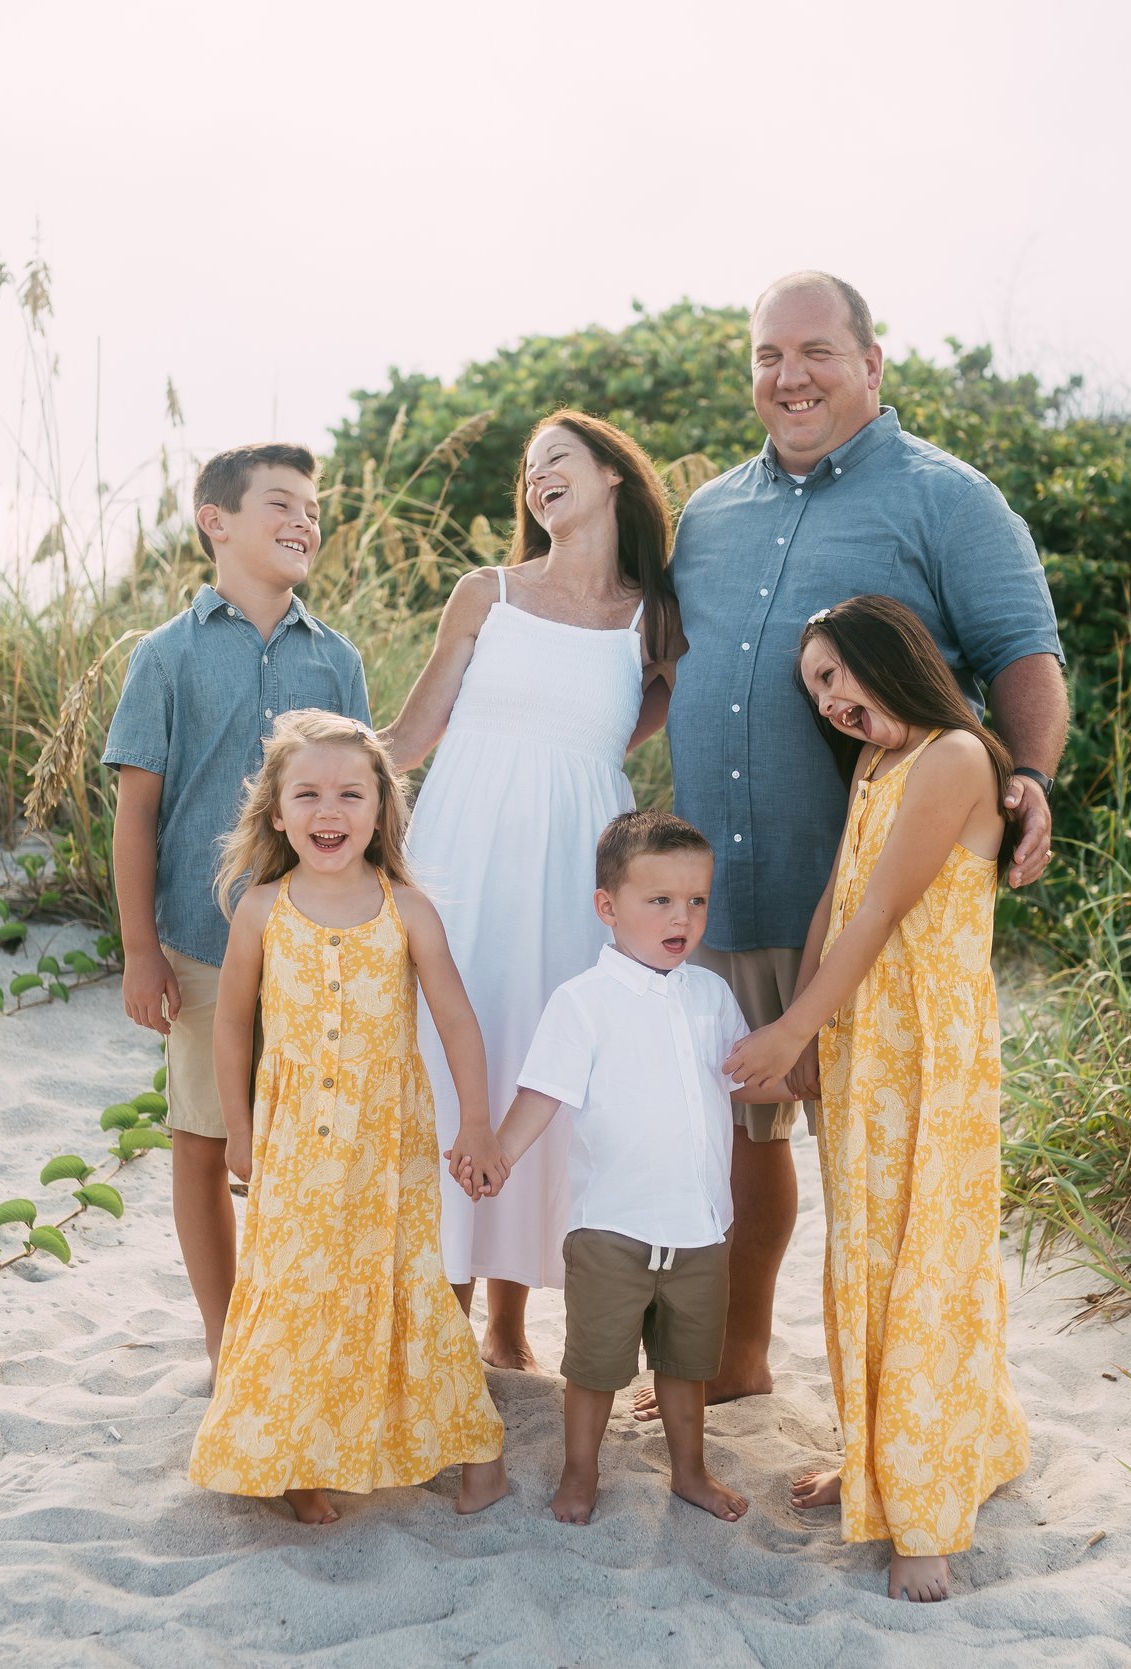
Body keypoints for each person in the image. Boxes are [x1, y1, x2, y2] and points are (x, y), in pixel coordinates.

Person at [655, 271, 1069, 1420]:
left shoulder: (949, 499)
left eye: (817, 352)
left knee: (876, 1169)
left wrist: (1028, 777)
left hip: (864, 899)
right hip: (719, 894)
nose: (788, 376)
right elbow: (664, 671)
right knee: (746, 1137)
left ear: (873, 363)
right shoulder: (707, 513)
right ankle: (740, 1356)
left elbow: (1023, 657)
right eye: (766, 355)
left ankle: (902, 1418)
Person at [722, 595, 1030, 1601]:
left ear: (884, 659)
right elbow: (838, 900)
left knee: (925, 1259)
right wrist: (818, 1041)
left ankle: (927, 1515)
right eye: (814, 687)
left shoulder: (951, 756)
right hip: (868, 1043)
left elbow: (889, 913)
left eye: (834, 675)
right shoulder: (877, 760)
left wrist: (789, 1025)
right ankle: (880, 1460)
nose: (827, 701)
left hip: (930, 1050)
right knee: (866, 1250)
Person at [381, 411, 681, 1370]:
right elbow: (409, 736)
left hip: (576, 864)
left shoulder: (651, 617)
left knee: (543, 1066)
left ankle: (510, 1321)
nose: (537, 476)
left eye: (557, 458)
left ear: (613, 478)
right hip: (465, 856)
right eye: (527, 469)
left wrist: (582, 761)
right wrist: (312, 795)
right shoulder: (488, 593)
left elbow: (649, 710)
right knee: (456, 1058)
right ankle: (447, 1313)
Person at [187, 711, 508, 1523]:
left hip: (386, 1148)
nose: (329, 811)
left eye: (349, 794)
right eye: (309, 794)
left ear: (379, 811)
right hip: (294, 1145)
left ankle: (479, 1448)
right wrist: (237, 1127)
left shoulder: (409, 910)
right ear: (276, 811)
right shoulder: (262, 909)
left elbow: (458, 1021)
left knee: (411, 1291)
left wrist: (475, 1123)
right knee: (296, 1293)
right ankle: (301, 1461)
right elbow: (231, 1023)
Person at [104, 444, 373, 1377]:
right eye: (281, 503)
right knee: (204, 1138)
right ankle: (229, 1341)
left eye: (313, 506)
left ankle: (299, 1321)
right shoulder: (165, 656)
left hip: (317, 949)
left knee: (305, 1147)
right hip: (202, 943)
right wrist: (141, 948)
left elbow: (368, 813)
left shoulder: (337, 660)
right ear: (215, 521)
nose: (305, 519)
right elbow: (137, 812)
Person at [459, 811, 785, 1526]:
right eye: (660, 900)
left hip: (699, 1225)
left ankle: (689, 1471)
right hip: (612, 1226)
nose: (683, 916)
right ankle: (580, 1472)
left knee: (687, 1363)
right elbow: (540, 1093)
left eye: (697, 900)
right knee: (595, 1365)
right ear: (608, 906)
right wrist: (501, 1155)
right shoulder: (584, 1002)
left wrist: (804, 1074)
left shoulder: (709, 994)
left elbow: (744, 1074)